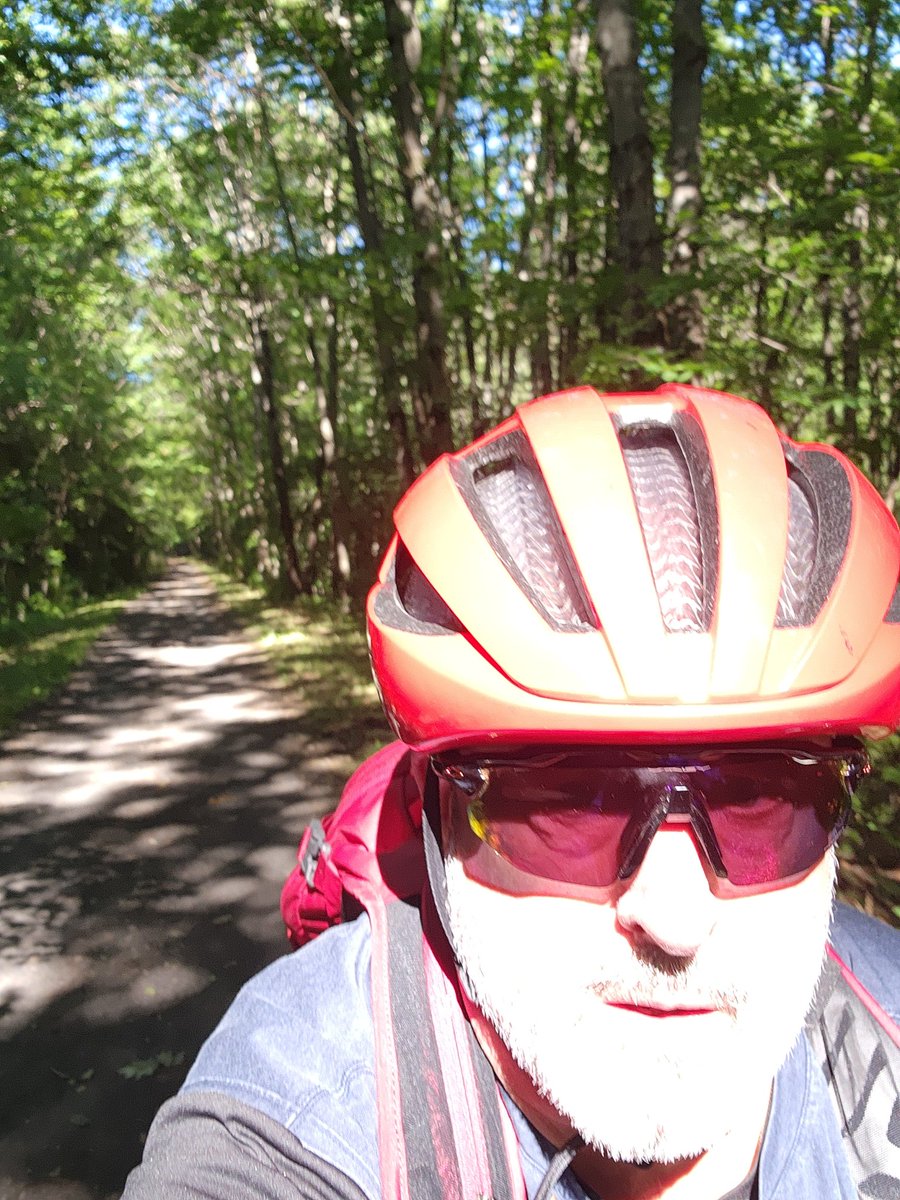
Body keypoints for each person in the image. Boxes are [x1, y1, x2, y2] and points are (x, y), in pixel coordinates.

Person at [122, 384, 900, 1200]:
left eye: (764, 804)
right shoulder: (294, 1129)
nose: (675, 920)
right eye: (565, 807)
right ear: (439, 820)